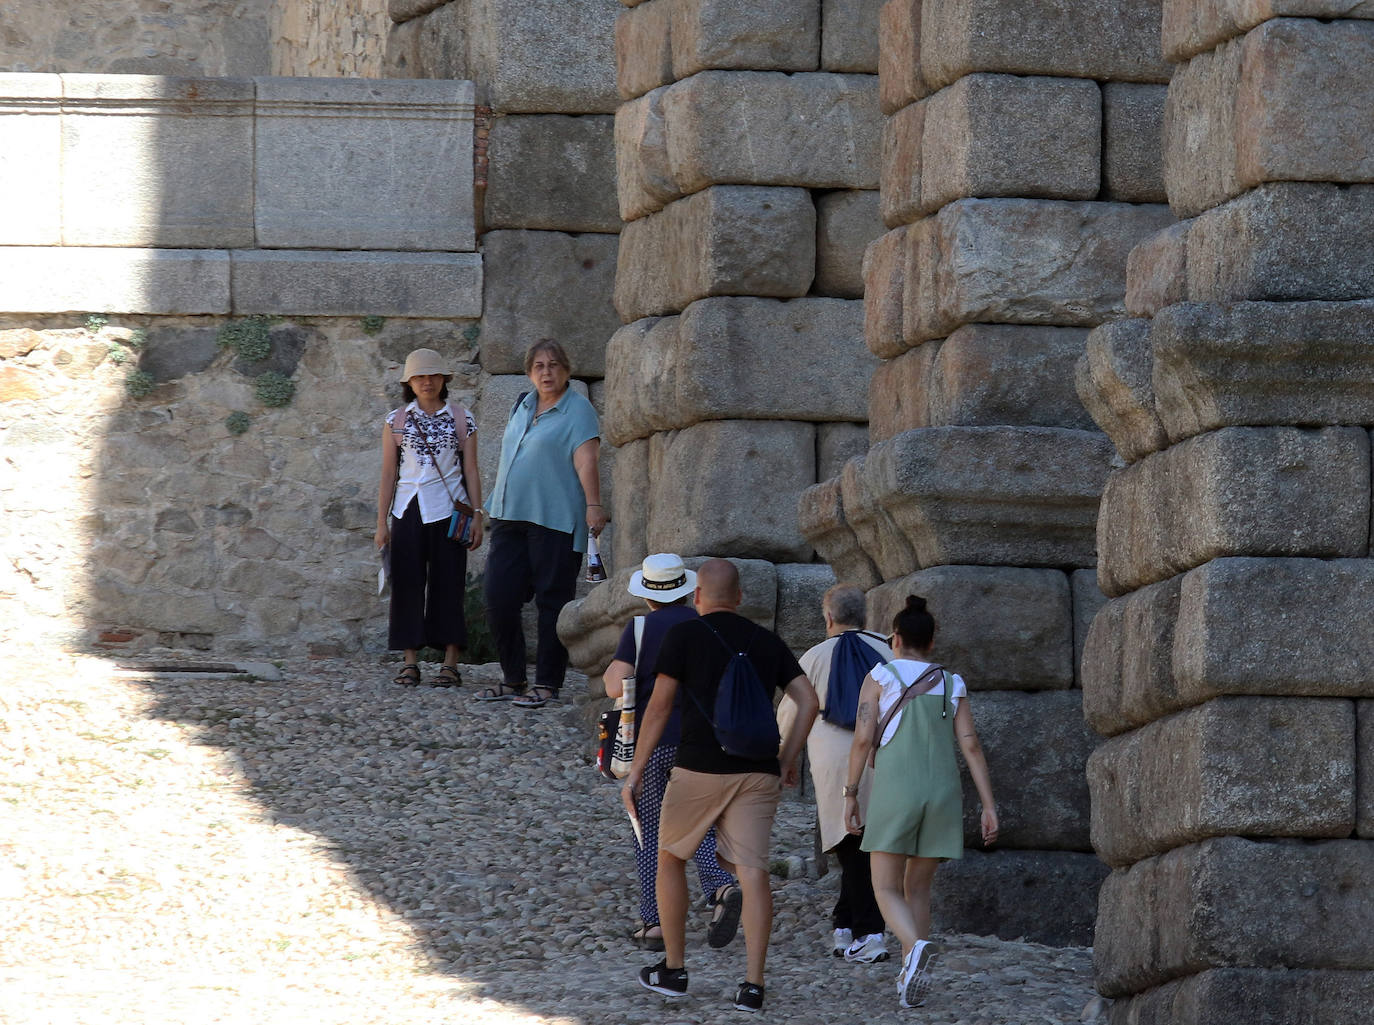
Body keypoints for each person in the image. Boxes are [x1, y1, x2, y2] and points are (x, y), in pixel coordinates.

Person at [623, 559, 819, 1014]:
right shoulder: (766, 641)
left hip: (698, 767)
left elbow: (659, 708)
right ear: (740, 597)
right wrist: (785, 761)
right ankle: (753, 985)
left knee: (669, 858)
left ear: (697, 597)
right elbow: (808, 700)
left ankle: (674, 969)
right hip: (757, 770)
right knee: (752, 873)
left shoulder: (683, 636)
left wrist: (636, 769)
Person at [842, 595, 999, 1009]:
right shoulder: (953, 683)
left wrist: (850, 793)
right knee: (919, 888)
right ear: (931, 643)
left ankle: (914, 949)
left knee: (884, 885)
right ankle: (911, 976)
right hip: (943, 792)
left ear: (894, 639)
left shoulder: (879, 676)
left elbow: (862, 739)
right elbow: (972, 746)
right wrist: (988, 805)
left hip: (897, 789)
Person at [602, 554, 738, 953]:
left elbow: (614, 684)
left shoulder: (640, 628)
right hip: (704, 743)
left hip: (654, 743)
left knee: (648, 832)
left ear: (647, 595)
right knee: (701, 822)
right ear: (687, 590)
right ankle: (720, 885)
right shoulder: (707, 626)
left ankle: (655, 922)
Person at [475, 339, 606, 709]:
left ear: (566, 369)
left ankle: (548, 683)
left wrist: (594, 504)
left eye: (552, 365)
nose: (546, 372)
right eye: (538, 366)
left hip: (555, 520)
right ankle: (513, 679)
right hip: (508, 514)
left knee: (553, 603)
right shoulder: (523, 403)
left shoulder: (578, 410)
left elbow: (586, 462)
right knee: (498, 597)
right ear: (530, 372)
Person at [777, 583, 893, 963]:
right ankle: (856, 926)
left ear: (828, 618)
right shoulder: (888, 651)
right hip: (882, 759)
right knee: (868, 846)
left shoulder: (814, 656)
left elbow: (790, 713)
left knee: (851, 846)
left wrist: (784, 757)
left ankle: (858, 929)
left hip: (831, 763)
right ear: (866, 616)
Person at [374, 348, 482, 687]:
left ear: (444, 380)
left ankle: (450, 661)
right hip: (407, 509)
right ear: (410, 382)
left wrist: (479, 514)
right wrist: (381, 522)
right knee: (406, 583)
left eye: (433, 376)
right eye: (420, 376)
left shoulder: (463, 418)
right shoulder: (396, 421)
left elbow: (472, 469)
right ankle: (410, 660)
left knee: (449, 583)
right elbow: (389, 473)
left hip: (450, 511)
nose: (427, 382)